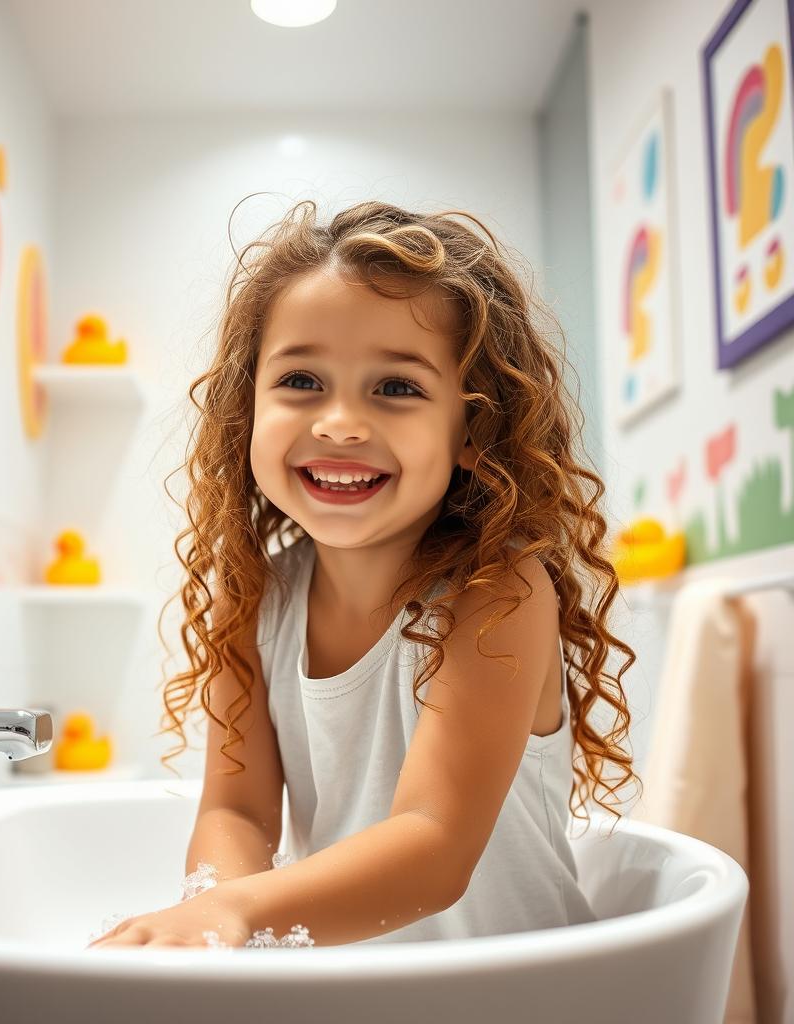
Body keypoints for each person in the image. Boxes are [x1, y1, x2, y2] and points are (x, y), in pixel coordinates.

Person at [88, 198, 641, 950]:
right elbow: (237, 815)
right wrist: (211, 915)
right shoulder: (254, 596)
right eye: (302, 381)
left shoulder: (498, 592)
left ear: (472, 429)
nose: (341, 422)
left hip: (514, 996)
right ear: (247, 412)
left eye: (396, 388)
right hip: (350, 990)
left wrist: (241, 914)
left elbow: (433, 844)